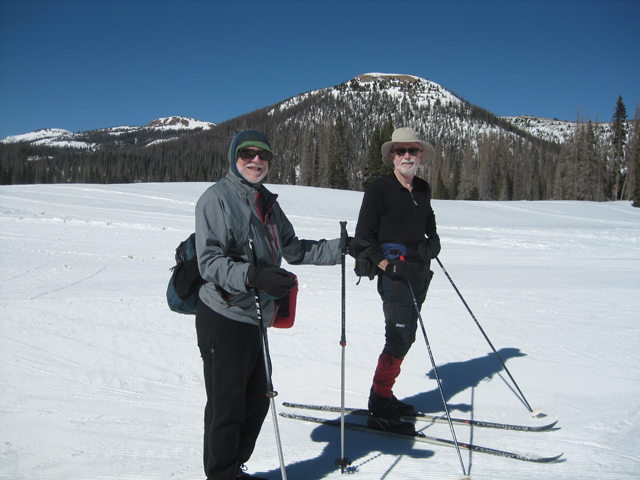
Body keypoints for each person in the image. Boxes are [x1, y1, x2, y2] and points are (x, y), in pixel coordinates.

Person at [194, 130, 342, 480]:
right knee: (227, 406)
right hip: (223, 315)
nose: (256, 160)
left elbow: (295, 249)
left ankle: (234, 468)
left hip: (256, 316)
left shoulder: (267, 203)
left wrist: (346, 247)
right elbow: (209, 262)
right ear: (234, 157)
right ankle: (222, 474)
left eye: (263, 155)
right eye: (247, 153)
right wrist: (253, 276)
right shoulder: (216, 199)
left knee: (258, 400)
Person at [353, 127, 441, 435]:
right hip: (394, 275)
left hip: (419, 272)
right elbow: (363, 237)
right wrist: (386, 266)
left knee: (408, 335)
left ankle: (385, 396)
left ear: (420, 155)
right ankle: (378, 407)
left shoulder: (423, 188)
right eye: (400, 151)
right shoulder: (379, 190)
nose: (407, 156)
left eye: (412, 151)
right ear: (392, 156)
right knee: (398, 337)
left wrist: (433, 239)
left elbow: (428, 219)